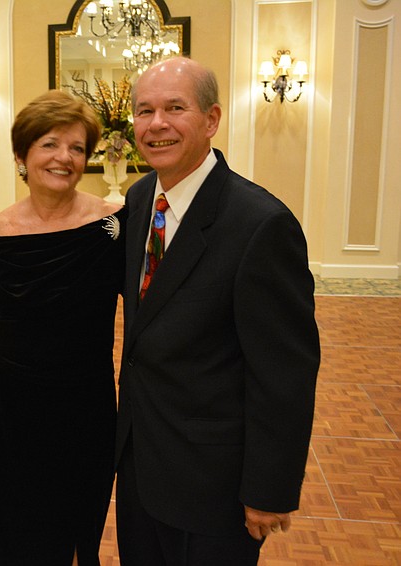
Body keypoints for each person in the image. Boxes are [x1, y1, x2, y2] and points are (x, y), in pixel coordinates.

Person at [114, 57, 320, 565]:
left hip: (213, 487)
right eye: (144, 111)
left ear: (211, 119)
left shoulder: (260, 225)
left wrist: (269, 489)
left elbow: (284, 373)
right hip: (140, 467)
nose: (156, 124)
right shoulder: (139, 200)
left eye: (174, 108)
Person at [0, 89, 126, 565]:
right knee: (13, 535)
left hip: (85, 411)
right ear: (22, 155)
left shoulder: (111, 226)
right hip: (10, 415)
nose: (65, 158)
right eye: (50, 145)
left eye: (77, 148)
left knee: (78, 539)